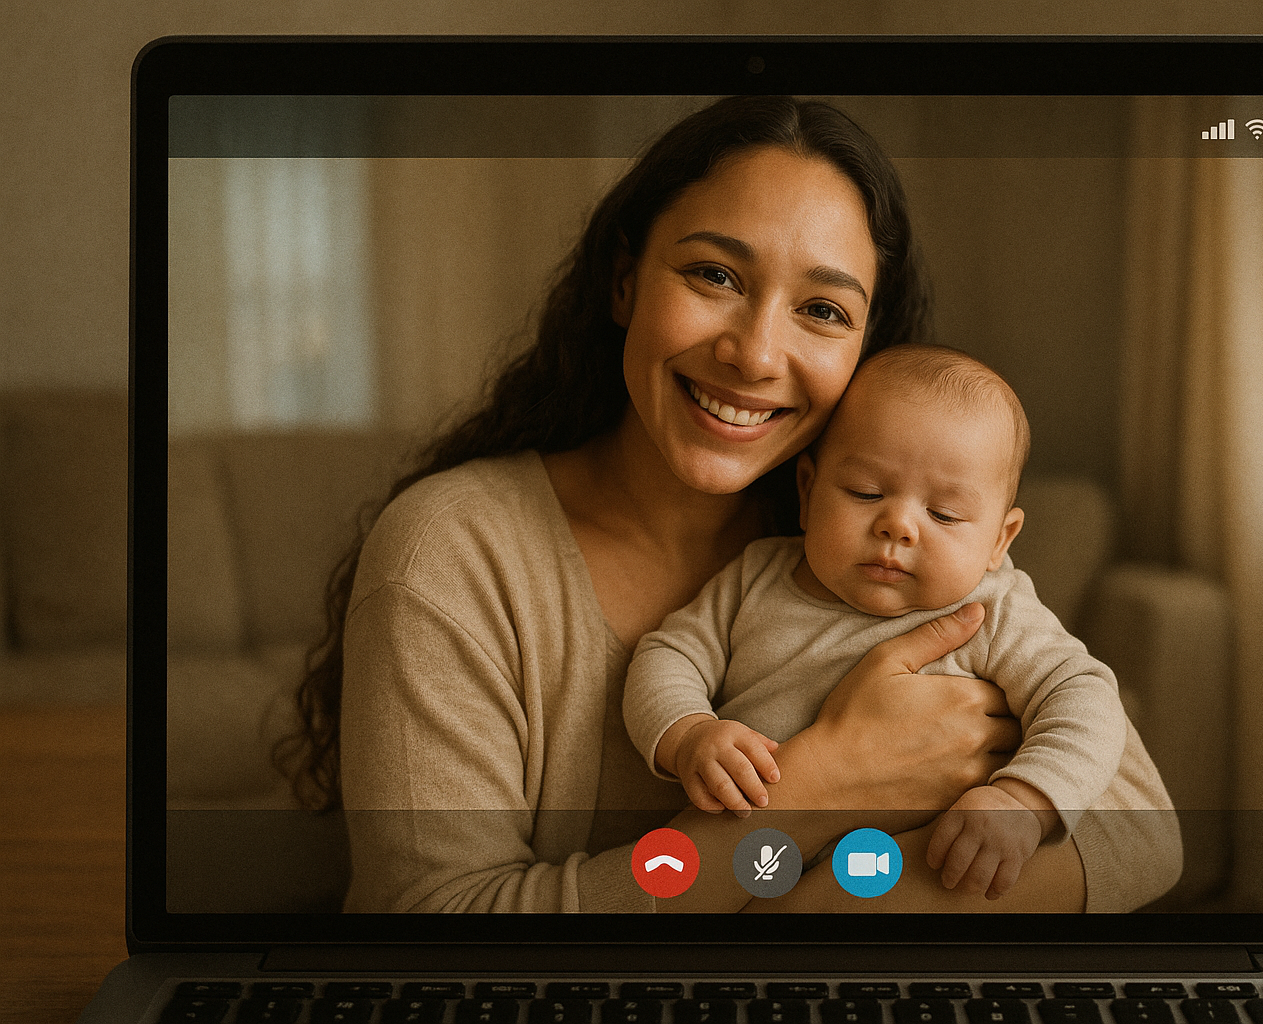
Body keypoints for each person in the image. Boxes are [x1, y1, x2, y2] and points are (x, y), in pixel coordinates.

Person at [282, 94, 1181, 915]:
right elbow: (432, 931)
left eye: (824, 310)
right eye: (714, 275)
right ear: (625, 280)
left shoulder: (889, 540)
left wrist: (857, 908)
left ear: (868, 346)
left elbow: (1143, 830)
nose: (755, 355)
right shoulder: (454, 551)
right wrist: (815, 794)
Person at [626, 345, 1139, 902]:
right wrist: (688, 733)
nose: (898, 526)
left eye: (943, 515)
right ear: (807, 490)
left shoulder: (993, 611)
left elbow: (1084, 697)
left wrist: (1023, 801)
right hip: (739, 877)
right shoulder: (758, 576)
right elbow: (666, 656)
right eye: (866, 493)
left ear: (999, 540)